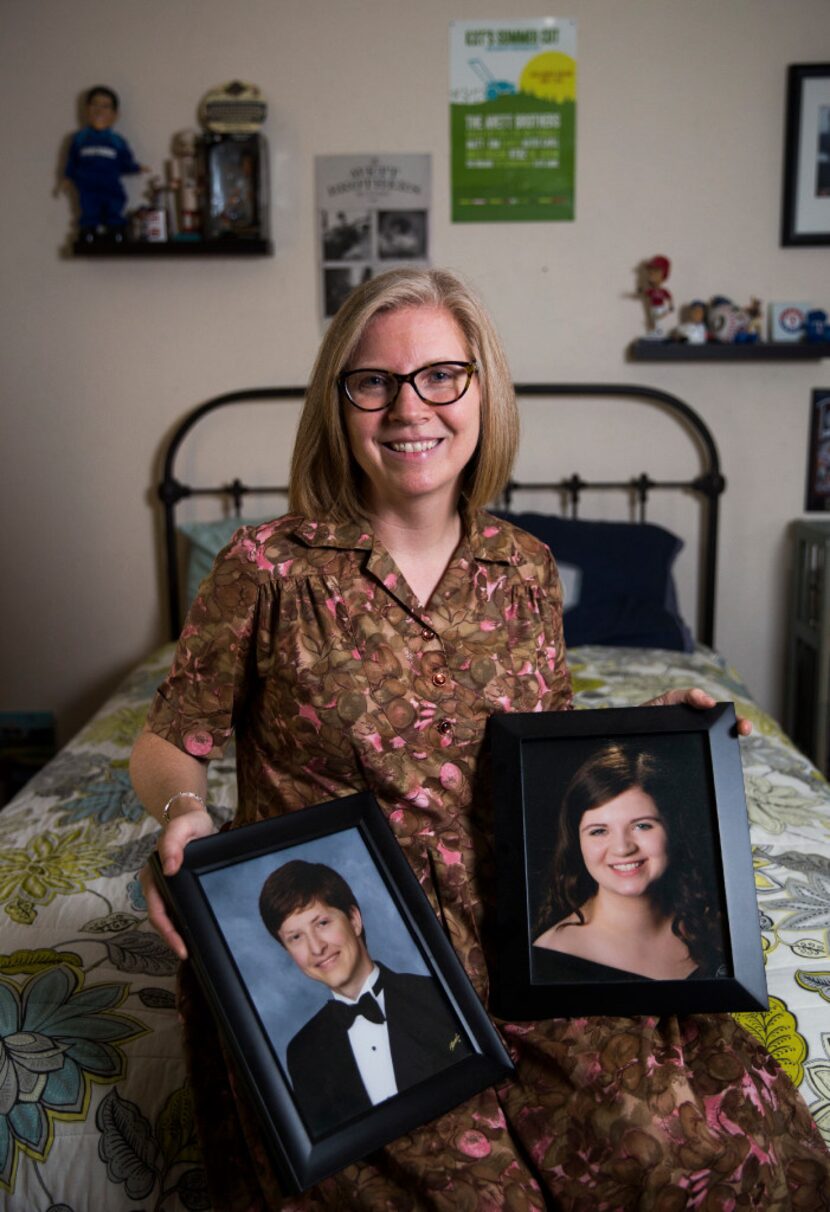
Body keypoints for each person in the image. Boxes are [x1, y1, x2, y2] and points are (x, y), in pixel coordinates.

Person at [132, 267, 830, 1210]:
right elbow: (171, 740)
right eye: (373, 382)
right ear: (338, 404)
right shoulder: (265, 569)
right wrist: (182, 811)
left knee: (703, 1154)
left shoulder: (525, 567)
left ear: (481, 393)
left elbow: (535, 752)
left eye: (441, 377)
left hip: (523, 929)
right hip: (381, 944)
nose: (408, 408)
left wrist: (656, 738)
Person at [259, 859, 468, 1137]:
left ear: (354, 920)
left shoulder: (437, 995)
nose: (316, 947)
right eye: (296, 937)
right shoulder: (302, 1053)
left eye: (322, 923)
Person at [533, 742, 726, 982]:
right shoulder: (550, 958)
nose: (623, 848)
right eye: (599, 831)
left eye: (642, 826)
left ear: (673, 828)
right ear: (577, 842)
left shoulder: (717, 920)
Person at [63, 86, 148, 241]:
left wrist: (136, 167)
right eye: (95, 105)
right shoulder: (80, 139)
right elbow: (72, 161)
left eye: (105, 106)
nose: (99, 111)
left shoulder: (117, 141)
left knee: (114, 204)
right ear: (87, 110)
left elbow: (125, 162)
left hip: (110, 184)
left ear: (115, 115)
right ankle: (89, 230)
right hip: (87, 185)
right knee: (89, 207)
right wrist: (68, 177)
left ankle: (115, 228)